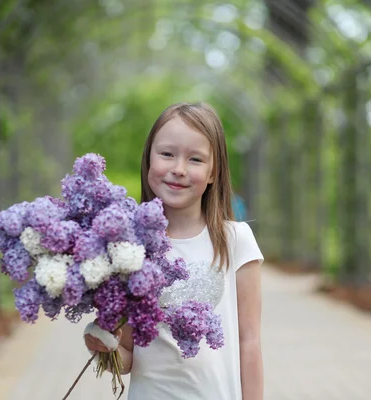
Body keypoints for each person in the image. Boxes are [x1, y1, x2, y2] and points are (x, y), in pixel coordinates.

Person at [84, 102, 264, 400]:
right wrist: (104, 343)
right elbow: (129, 359)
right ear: (148, 160)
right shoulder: (128, 249)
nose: (178, 169)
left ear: (212, 173)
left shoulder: (235, 240)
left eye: (195, 159)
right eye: (167, 154)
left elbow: (250, 342)